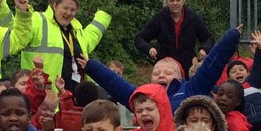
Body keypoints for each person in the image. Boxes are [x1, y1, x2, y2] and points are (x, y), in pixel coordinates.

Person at [80, 25, 243, 115]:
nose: (161, 75)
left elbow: (211, 67)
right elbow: (115, 84)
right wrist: (90, 66)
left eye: (167, 73)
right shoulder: (143, 96)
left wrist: (231, 37)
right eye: (156, 73)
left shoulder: (191, 90)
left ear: (180, 77)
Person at [19, 0, 112, 98]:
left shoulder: (76, 29)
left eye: (72, 10)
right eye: (65, 8)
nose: (68, 13)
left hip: (76, 99)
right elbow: (20, 33)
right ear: (55, 6)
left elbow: (92, 36)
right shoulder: (38, 20)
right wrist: (22, 12)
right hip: (46, 98)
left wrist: (105, 15)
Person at [134, 0, 214, 77]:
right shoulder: (160, 18)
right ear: (167, 2)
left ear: (183, 1)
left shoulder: (193, 18)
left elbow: (208, 38)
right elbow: (140, 39)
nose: (175, 3)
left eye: (178, 0)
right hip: (165, 68)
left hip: (188, 68)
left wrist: (204, 49)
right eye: (172, 0)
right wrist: (149, 49)